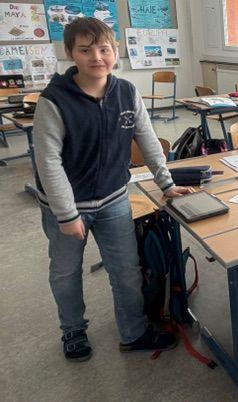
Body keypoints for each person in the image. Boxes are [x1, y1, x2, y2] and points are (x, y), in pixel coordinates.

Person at [33, 17, 192, 362]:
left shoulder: (126, 92)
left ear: (115, 51)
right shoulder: (54, 101)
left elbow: (148, 141)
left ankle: (134, 332)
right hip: (66, 206)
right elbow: (48, 163)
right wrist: (67, 214)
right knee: (65, 272)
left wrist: (166, 183)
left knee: (126, 269)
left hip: (113, 199)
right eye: (86, 50)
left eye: (104, 49)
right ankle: (73, 330)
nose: (97, 57)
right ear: (70, 53)